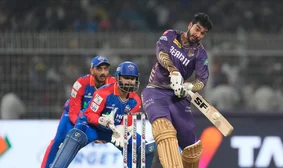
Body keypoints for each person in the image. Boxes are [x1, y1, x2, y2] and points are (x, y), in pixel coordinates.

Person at [141, 12, 213, 167]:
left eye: (203, 33)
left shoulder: (200, 53)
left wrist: (189, 87)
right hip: (156, 90)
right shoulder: (171, 35)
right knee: (165, 132)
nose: (198, 34)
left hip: (178, 97)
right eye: (197, 29)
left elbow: (202, 80)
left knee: (192, 149)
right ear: (190, 25)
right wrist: (173, 70)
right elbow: (161, 53)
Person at [50, 61, 143, 168]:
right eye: (126, 77)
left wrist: (122, 129)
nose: (129, 82)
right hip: (91, 127)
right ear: (118, 78)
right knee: (75, 136)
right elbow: (89, 114)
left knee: (138, 144)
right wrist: (101, 121)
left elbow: (128, 122)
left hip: (113, 130)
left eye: (132, 78)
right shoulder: (103, 93)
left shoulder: (136, 100)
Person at [41, 56, 116, 168]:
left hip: (96, 119)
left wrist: (106, 129)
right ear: (92, 70)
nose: (103, 72)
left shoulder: (113, 84)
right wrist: (82, 127)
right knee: (57, 141)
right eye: (99, 69)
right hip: (74, 118)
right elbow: (74, 112)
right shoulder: (81, 83)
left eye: (105, 69)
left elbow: (114, 108)